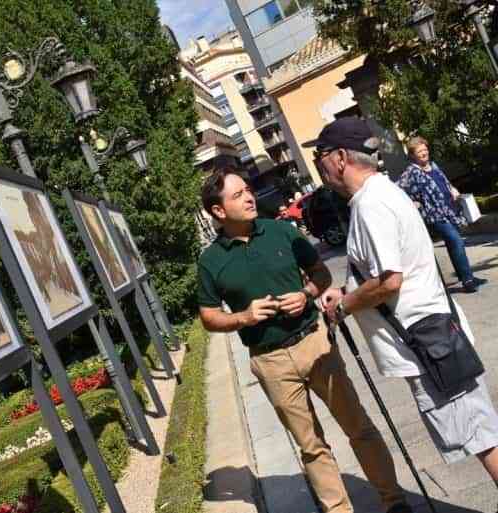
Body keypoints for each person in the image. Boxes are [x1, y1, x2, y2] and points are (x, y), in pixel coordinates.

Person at [197, 167, 410, 513]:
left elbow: (320, 274)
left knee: (358, 426)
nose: (250, 197)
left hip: (315, 342)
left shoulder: (281, 230)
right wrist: (244, 317)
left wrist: (306, 293)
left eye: (248, 190)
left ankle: (393, 500)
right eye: (238, 195)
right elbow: (208, 316)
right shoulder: (210, 262)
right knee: (311, 446)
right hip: (270, 361)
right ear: (218, 210)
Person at [311, 118, 498, 498]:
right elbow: (386, 270)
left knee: (480, 435)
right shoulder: (380, 194)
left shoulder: (371, 205)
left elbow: (388, 281)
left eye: (321, 156)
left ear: (341, 158)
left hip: (428, 343)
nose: (320, 165)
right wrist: (347, 290)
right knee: (478, 430)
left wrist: (345, 305)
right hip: (431, 337)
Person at [397, 136, 487, 293]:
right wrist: (414, 203)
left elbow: (444, 182)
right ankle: (468, 281)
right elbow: (398, 191)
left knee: (453, 244)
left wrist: (452, 189)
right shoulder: (411, 173)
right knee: (456, 241)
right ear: (412, 155)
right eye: (419, 151)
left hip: (450, 210)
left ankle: (467, 276)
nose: (424, 153)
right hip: (434, 215)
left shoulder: (434, 166)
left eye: (425, 149)